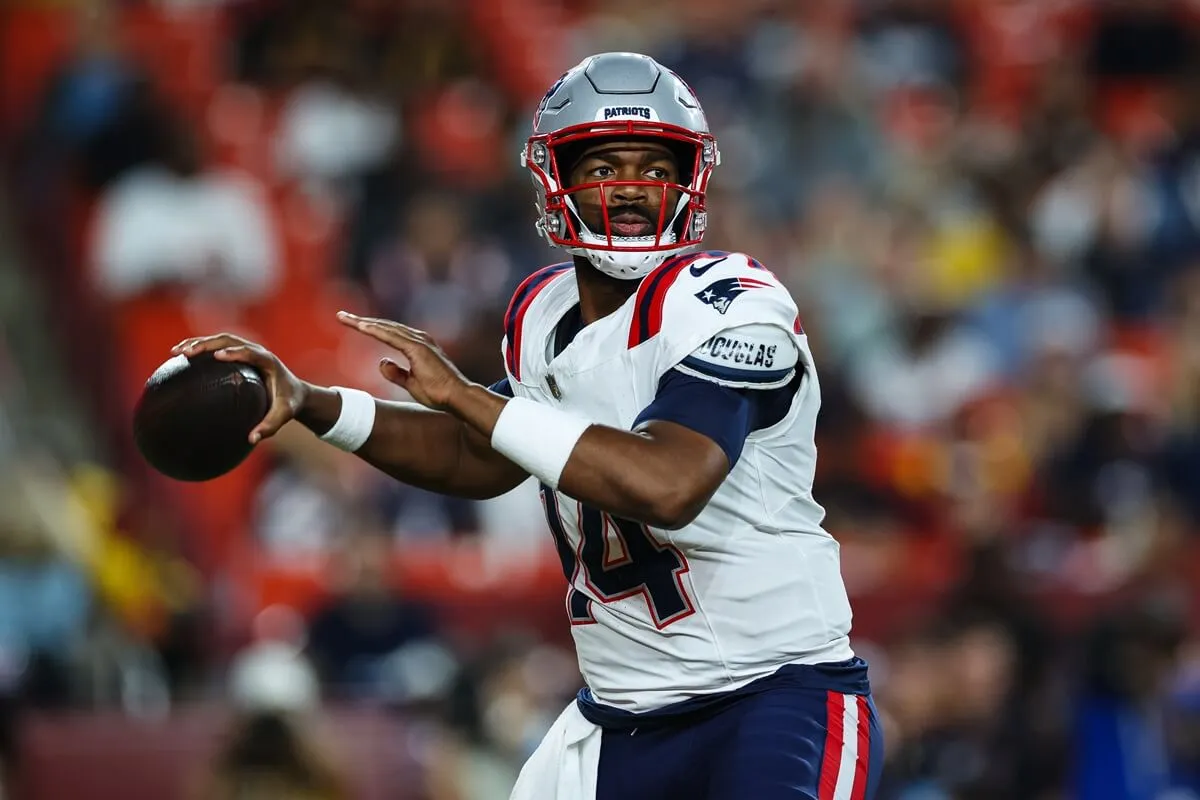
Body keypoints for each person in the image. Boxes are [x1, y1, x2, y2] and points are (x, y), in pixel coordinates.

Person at [175, 52, 883, 800]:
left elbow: (670, 482)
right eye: (604, 166)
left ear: (690, 177)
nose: (632, 188)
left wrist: (467, 396)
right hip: (621, 720)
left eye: (653, 165)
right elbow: (480, 455)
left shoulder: (735, 302)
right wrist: (314, 401)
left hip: (772, 698)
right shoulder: (542, 315)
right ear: (557, 178)